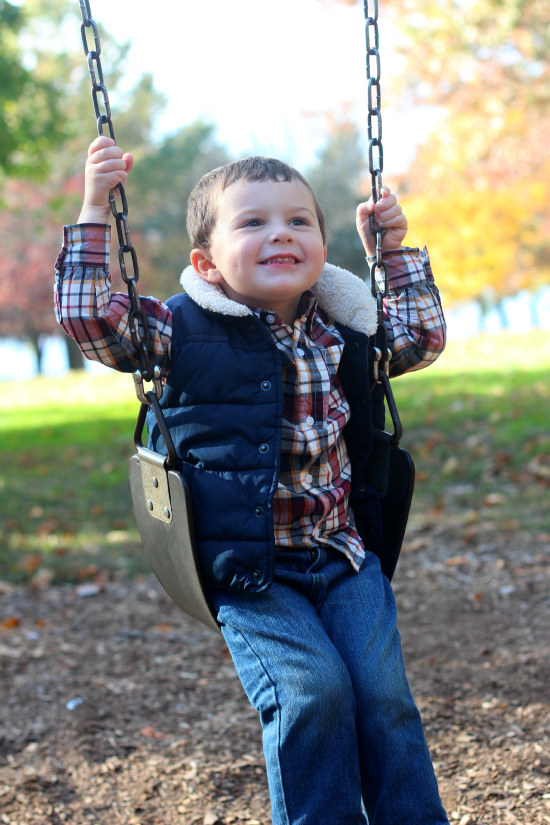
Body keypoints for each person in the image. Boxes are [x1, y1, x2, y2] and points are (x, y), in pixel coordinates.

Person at [55, 135, 449, 825]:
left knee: (383, 697)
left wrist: (393, 254)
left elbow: (419, 338)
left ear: (323, 246)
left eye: (300, 220)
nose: (281, 234)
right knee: (312, 693)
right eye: (253, 222)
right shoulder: (179, 329)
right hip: (249, 572)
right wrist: (94, 207)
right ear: (206, 262)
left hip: (344, 555)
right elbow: (93, 321)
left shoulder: (342, 322)